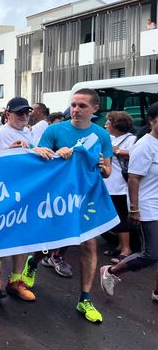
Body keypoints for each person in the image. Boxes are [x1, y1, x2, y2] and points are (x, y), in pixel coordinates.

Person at [38, 88, 113, 323]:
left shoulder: (101, 135)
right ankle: (33, 262)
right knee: (44, 237)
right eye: (73, 105)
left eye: (82, 106)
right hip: (56, 197)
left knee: (89, 244)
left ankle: (85, 299)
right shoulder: (54, 130)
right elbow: (37, 158)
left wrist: (103, 168)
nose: (76, 110)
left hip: (85, 197)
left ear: (94, 109)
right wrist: (50, 153)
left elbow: (108, 171)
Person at [0, 97, 55, 302]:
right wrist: (27, 151)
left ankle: (15, 280)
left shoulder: (30, 131)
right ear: (8, 114)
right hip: (7, 193)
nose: (24, 116)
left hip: (27, 192)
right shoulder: (3, 133)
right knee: (5, 235)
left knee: (23, 239)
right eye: (19, 113)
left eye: (26, 112)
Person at [100, 101, 158, 299]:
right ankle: (110, 272)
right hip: (148, 205)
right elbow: (134, 178)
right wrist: (134, 209)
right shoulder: (144, 145)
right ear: (151, 121)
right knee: (151, 254)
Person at [103, 112, 136, 264]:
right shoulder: (109, 138)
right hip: (108, 184)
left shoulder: (131, 139)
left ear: (117, 124)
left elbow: (135, 154)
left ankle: (126, 249)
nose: (106, 124)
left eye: (108, 121)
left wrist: (116, 150)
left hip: (120, 186)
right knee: (113, 217)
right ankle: (119, 245)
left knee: (122, 216)